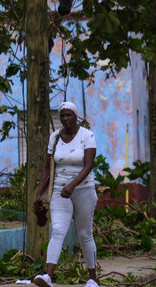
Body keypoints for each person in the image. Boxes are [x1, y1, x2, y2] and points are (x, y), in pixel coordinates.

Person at [32, 102, 99, 287]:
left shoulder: (87, 135)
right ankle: (48, 276)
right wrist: (39, 193)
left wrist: (72, 185)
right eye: (62, 116)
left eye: (69, 115)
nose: (65, 119)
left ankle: (93, 278)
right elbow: (48, 167)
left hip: (83, 189)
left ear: (76, 116)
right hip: (60, 191)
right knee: (58, 230)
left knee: (85, 233)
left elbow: (88, 165)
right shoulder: (54, 137)